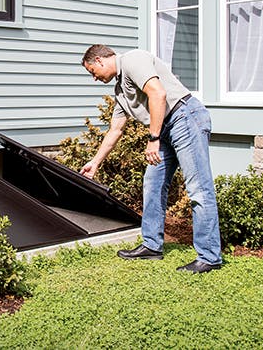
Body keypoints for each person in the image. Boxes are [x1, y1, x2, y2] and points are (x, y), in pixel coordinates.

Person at [79, 44, 222, 273]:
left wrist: (153, 138)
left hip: (184, 118)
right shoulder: (120, 91)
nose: (94, 79)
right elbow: (115, 130)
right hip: (165, 129)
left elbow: (158, 93)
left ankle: (209, 257)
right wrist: (95, 162)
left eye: (92, 72)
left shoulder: (133, 60)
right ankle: (152, 246)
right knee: (152, 185)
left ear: (99, 60)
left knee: (198, 189)